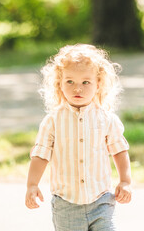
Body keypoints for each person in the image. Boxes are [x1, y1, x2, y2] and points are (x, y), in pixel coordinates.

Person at [25, 44, 132, 231]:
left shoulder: (106, 119)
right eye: (70, 82)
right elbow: (41, 155)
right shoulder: (52, 121)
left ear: (98, 84)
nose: (78, 89)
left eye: (85, 82)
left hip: (101, 201)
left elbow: (119, 150)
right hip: (66, 206)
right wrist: (32, 185)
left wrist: (125, 181)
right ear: (59, 84)